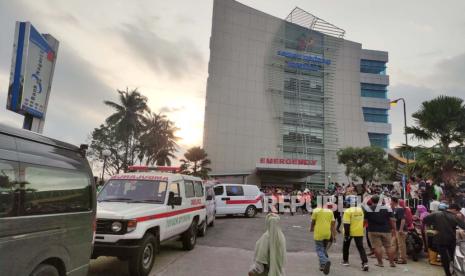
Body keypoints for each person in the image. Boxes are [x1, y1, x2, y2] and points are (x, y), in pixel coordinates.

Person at [423, 203, 465, 276]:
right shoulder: (455, 217)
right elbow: (463, 226)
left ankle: (448, 273)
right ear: (454, 210)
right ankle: (454, 271)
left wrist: (433, 226)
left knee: (444, 257)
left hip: (439, 239)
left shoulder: (436, 214)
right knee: (452, 257)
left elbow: (425, 220)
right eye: (457, 211)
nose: (457, 213)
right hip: (451, 240)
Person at [363, 195, 397, 268]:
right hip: (386, 230)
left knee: (377, 247)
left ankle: (380, 263)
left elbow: (365, 221)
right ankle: (392, 263)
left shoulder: (368, 209)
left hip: (373, 230)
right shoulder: (387, 208)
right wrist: (394, 229)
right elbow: (392, 220)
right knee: (388, 246)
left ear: (371, 201)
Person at [342, 196, 369, 271]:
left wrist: (347, 234)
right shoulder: (361, 210)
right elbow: (363, 221)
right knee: (361, 248)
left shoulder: (347, 211)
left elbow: (346, 225)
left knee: (346, 247)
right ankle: (365, 263)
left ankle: (345, 261)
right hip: (359, 231)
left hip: (349, 232)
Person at [311, 203, 337, 274]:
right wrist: (334, 236)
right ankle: (322, 266)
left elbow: (313, 221)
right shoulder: (330, 212)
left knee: (319, 249)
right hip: (327, 234)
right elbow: (333, 226)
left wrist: (311, 228)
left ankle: (325, 261)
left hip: (319, 233)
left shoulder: (316, 211)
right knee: (323, 250)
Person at [391, 197, 407, 264]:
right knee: (394, 243)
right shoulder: (395, 209)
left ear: (394, 201)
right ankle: (394, 257)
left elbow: (403, 220)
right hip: (396, 229)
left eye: (391, 201)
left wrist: (401, 229)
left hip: (400, 229)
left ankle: (403, 259)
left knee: (401, 244)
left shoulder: (400, 209)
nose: (390, 202)